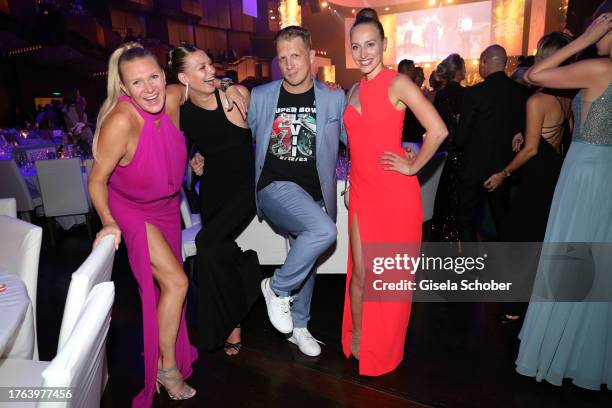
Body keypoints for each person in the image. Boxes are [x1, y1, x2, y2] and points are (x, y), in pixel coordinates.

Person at [88, 43, 198, 406]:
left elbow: (204, 78)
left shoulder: (169, 99)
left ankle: (168, 354)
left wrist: (229, 87)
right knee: (177, 282)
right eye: (137, 83)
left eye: (153, 77)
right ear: (124, 89)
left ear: (164, 76)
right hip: (132, 211)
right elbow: (96, 179)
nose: (149, 88)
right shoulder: (121, 121)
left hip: (168, 208)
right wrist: (107, 221)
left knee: (171, 288)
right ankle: (166, 368)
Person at [343, 12, 447, 375]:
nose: (363, 53)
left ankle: (382, 344)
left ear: (384, 45)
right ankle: (359, 334)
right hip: (361, 192)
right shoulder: (353, 89)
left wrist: (413, 166)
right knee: (360, 274)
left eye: (370, 45)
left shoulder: (398, 82)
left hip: (393, 193)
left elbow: (438, 130)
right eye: (356, 47)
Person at [516, 8, 612, 390]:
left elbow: (534, 75)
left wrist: (583, 42)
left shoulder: (601, 68)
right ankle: (586, 352)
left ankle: (557, 349)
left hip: (585, 174)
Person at [249, 25, 347, 357]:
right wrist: (200, 154)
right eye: (283, 58)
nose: (290, 65)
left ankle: (299, 327)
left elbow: (355, 140)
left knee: (303, 257)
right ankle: (275, 288)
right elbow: (237, 138)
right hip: (274, 187)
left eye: (296, 56)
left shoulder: (334, 97)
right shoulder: (262, 96)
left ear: (311, 56)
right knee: (323, 230)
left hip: (312, 194)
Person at [168, 44, 261, 355]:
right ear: (184, 77)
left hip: (245, 189)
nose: (211, 71)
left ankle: (216, 329)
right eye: (201, 68)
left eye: (210, 65)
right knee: (218, 249)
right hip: (212, 191)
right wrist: (197, 160)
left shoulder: (234, 97)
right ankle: (237, 312)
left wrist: (226, 84)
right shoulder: (182, 113)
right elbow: (196, 146)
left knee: (207, 243)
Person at [482, 33, 575, 324]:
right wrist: (526, 133)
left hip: (534, 178)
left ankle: (513, 308)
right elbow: (559, 136)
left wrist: (503, 173)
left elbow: (533, 149)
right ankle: (534, 300)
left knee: (516, 239)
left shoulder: (538, 99)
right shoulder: (567, 96)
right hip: (554, 172)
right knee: (539, 237)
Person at [455, 45, 528, 242]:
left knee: (467, 219)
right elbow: (522, 129)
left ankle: (470, 269)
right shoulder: (520, 91)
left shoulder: (474, 93)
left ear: (484, 62)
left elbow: (461, 138)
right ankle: (508, 265)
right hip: (503, 167)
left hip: (475, 167)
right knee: (501, 217)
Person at [431, 53, 466, 242]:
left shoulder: (440, 95)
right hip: (462, 151)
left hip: (445, 151)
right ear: (458, 71)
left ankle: (443, 232)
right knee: (459, 196)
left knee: (446, 194)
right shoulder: (466, 94)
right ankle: (456, 233)